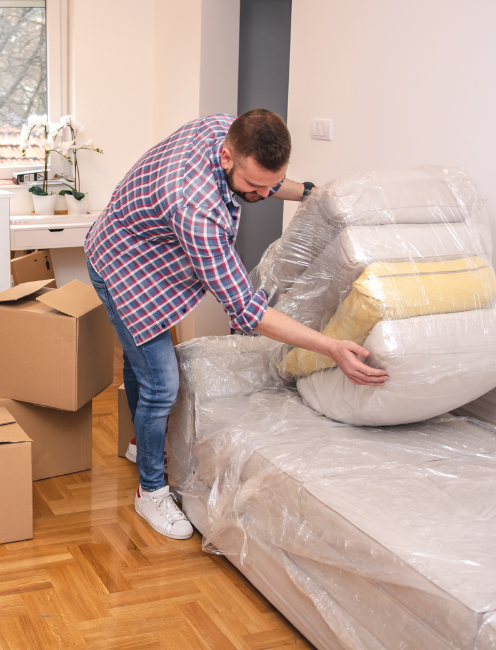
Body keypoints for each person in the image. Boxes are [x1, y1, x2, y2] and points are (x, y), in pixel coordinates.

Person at [84, 110, 389, 540]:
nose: (263, 195)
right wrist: (332, 346)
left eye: (271, 184)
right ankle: (150, 491)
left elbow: (268, 180)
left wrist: (310, 193)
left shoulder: (226, 128)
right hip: (123, 265)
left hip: (148, 251)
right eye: (254, 186)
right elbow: (247, 310)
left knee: (143, 365)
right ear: (227, 158)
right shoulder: (196, 208)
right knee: (162, 384)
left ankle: (141, 445)